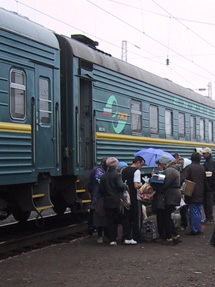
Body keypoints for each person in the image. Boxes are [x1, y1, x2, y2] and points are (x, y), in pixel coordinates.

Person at [152, 155, 182, 245]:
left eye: (160, 164)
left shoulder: (169, 171)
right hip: (174, 195)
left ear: (164, 163)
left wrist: (154, 180)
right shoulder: (174, 170)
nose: (159, 165)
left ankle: (169, 238)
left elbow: (164, 184)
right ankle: (176, 235)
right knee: (168, 216)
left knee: (166, 217)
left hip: (170, 196)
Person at [99, 157, 127, 246]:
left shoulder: (103, 176)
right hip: (117, 201)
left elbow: (101, 189)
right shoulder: (117, 175)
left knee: (110, 221)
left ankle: (112, 239)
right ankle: (125, 237)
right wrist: (125, 185)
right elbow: (120, 186)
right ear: (116, 166)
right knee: (122, 219)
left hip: (108, 201)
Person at [181, 152, 207, 235]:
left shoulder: (189, 168)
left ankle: (195, 230)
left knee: (194, 211)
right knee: (199, 211)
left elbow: (182, 178)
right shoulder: (202, 168)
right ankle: (199, 228)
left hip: (192, 193)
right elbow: (204, 181)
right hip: (201, 192)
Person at [122, 156, 145, 243]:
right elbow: (136, 185)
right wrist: (142, 185)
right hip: (134, 197)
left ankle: (126, 236)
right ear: (138, 162)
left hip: (125, 197)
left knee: (126, 217)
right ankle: (136, 236)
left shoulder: (124, 170)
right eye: (141, 164)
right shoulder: (137, 171)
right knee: (136, 217)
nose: (141, 167)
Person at [88, 158, 107, 243]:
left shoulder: (96, 172)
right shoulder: (101, 173)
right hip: (99, 199)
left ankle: (93, 232)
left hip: (96, 198)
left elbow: (90, 186)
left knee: (97, 216)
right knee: (100, 217)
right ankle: (99, 234)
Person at [202, 147, 215, 223]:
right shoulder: (209, 162)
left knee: (208, 202)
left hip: (209, 187)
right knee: (208, 202)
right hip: (210, 186)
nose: (203, 155)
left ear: (208, 154)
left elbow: (209, 174)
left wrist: (208, 185)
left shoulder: (209, 163)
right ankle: (209, 217)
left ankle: (209, 218)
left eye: (204, 153)